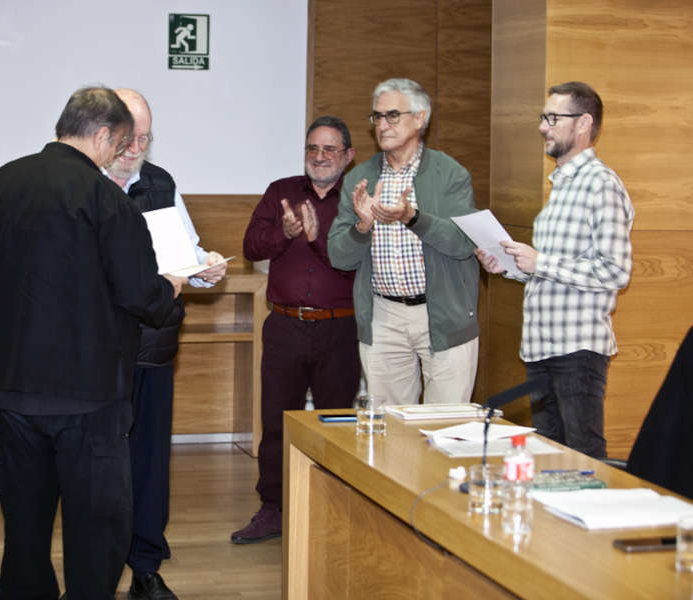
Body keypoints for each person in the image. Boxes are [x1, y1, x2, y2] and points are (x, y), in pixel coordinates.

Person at [0, 86, 182, 600]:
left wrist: (5, 340)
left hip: (13, 394)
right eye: (118, 144)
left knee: (25, 532)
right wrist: (172, 286)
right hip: (90, 398)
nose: (119, 155)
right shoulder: (104, 199)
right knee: (96, 532)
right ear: (100, 135)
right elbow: (142, 295)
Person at [103, 88, 227, 600]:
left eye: (145, 138)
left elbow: (185, 251)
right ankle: (100, 566)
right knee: (100, 465)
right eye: (129, 137)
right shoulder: (82, 184)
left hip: (152, 347)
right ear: (105, 132)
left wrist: (205, 270)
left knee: (150, 462)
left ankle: (146, 566)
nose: (137, 147)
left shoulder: (160, 183)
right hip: (96, 352)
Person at [476, 81, 634, 458]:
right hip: (540, 347)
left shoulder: (601, 186)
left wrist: (541, 261)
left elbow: (616, 272)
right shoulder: (561, 187)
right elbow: (550, 270)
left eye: (552, 118)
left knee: (582, 457)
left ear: (583, 124)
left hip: (577, 349)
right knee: (548, 456)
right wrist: (509, 267)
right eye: (543, 117)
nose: (542, 126)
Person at [232, 115, 361, 544]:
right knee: (276, 423)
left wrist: (316, 237)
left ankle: (332, 505)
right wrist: (284, 234)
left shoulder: (359, 199)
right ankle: (273, 509)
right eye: (312, 148)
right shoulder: (280, 192)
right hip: (285, 326)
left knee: (336, 424)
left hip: (339, 331)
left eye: (329, 149)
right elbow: (251, 247)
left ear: (348, 155)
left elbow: (355, 260)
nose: (319, 157)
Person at [328, 78, 479, 406]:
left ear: (421, 118)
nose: (383, 124)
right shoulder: (359, 178)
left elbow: (463, 244)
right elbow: (339, 256)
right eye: (377, 117)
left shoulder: (450, 174)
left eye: (392, 115)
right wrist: (362, 227)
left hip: (442, 314)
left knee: (446, 427)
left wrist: (413, 217)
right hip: (383, 316)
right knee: (391, 433)